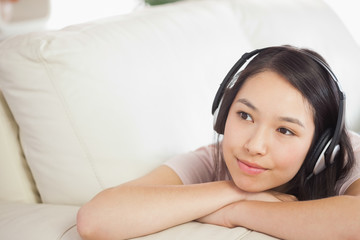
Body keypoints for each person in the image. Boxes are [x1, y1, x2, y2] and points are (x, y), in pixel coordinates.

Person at [76, 46, 360, 240]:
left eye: (285, 130)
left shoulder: (350, 157)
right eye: (245, 115)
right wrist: (233, 190)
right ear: (223, 114)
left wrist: (238, 211)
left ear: (324, 147)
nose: (254, 146)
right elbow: (96, 220)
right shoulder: (212, 160)